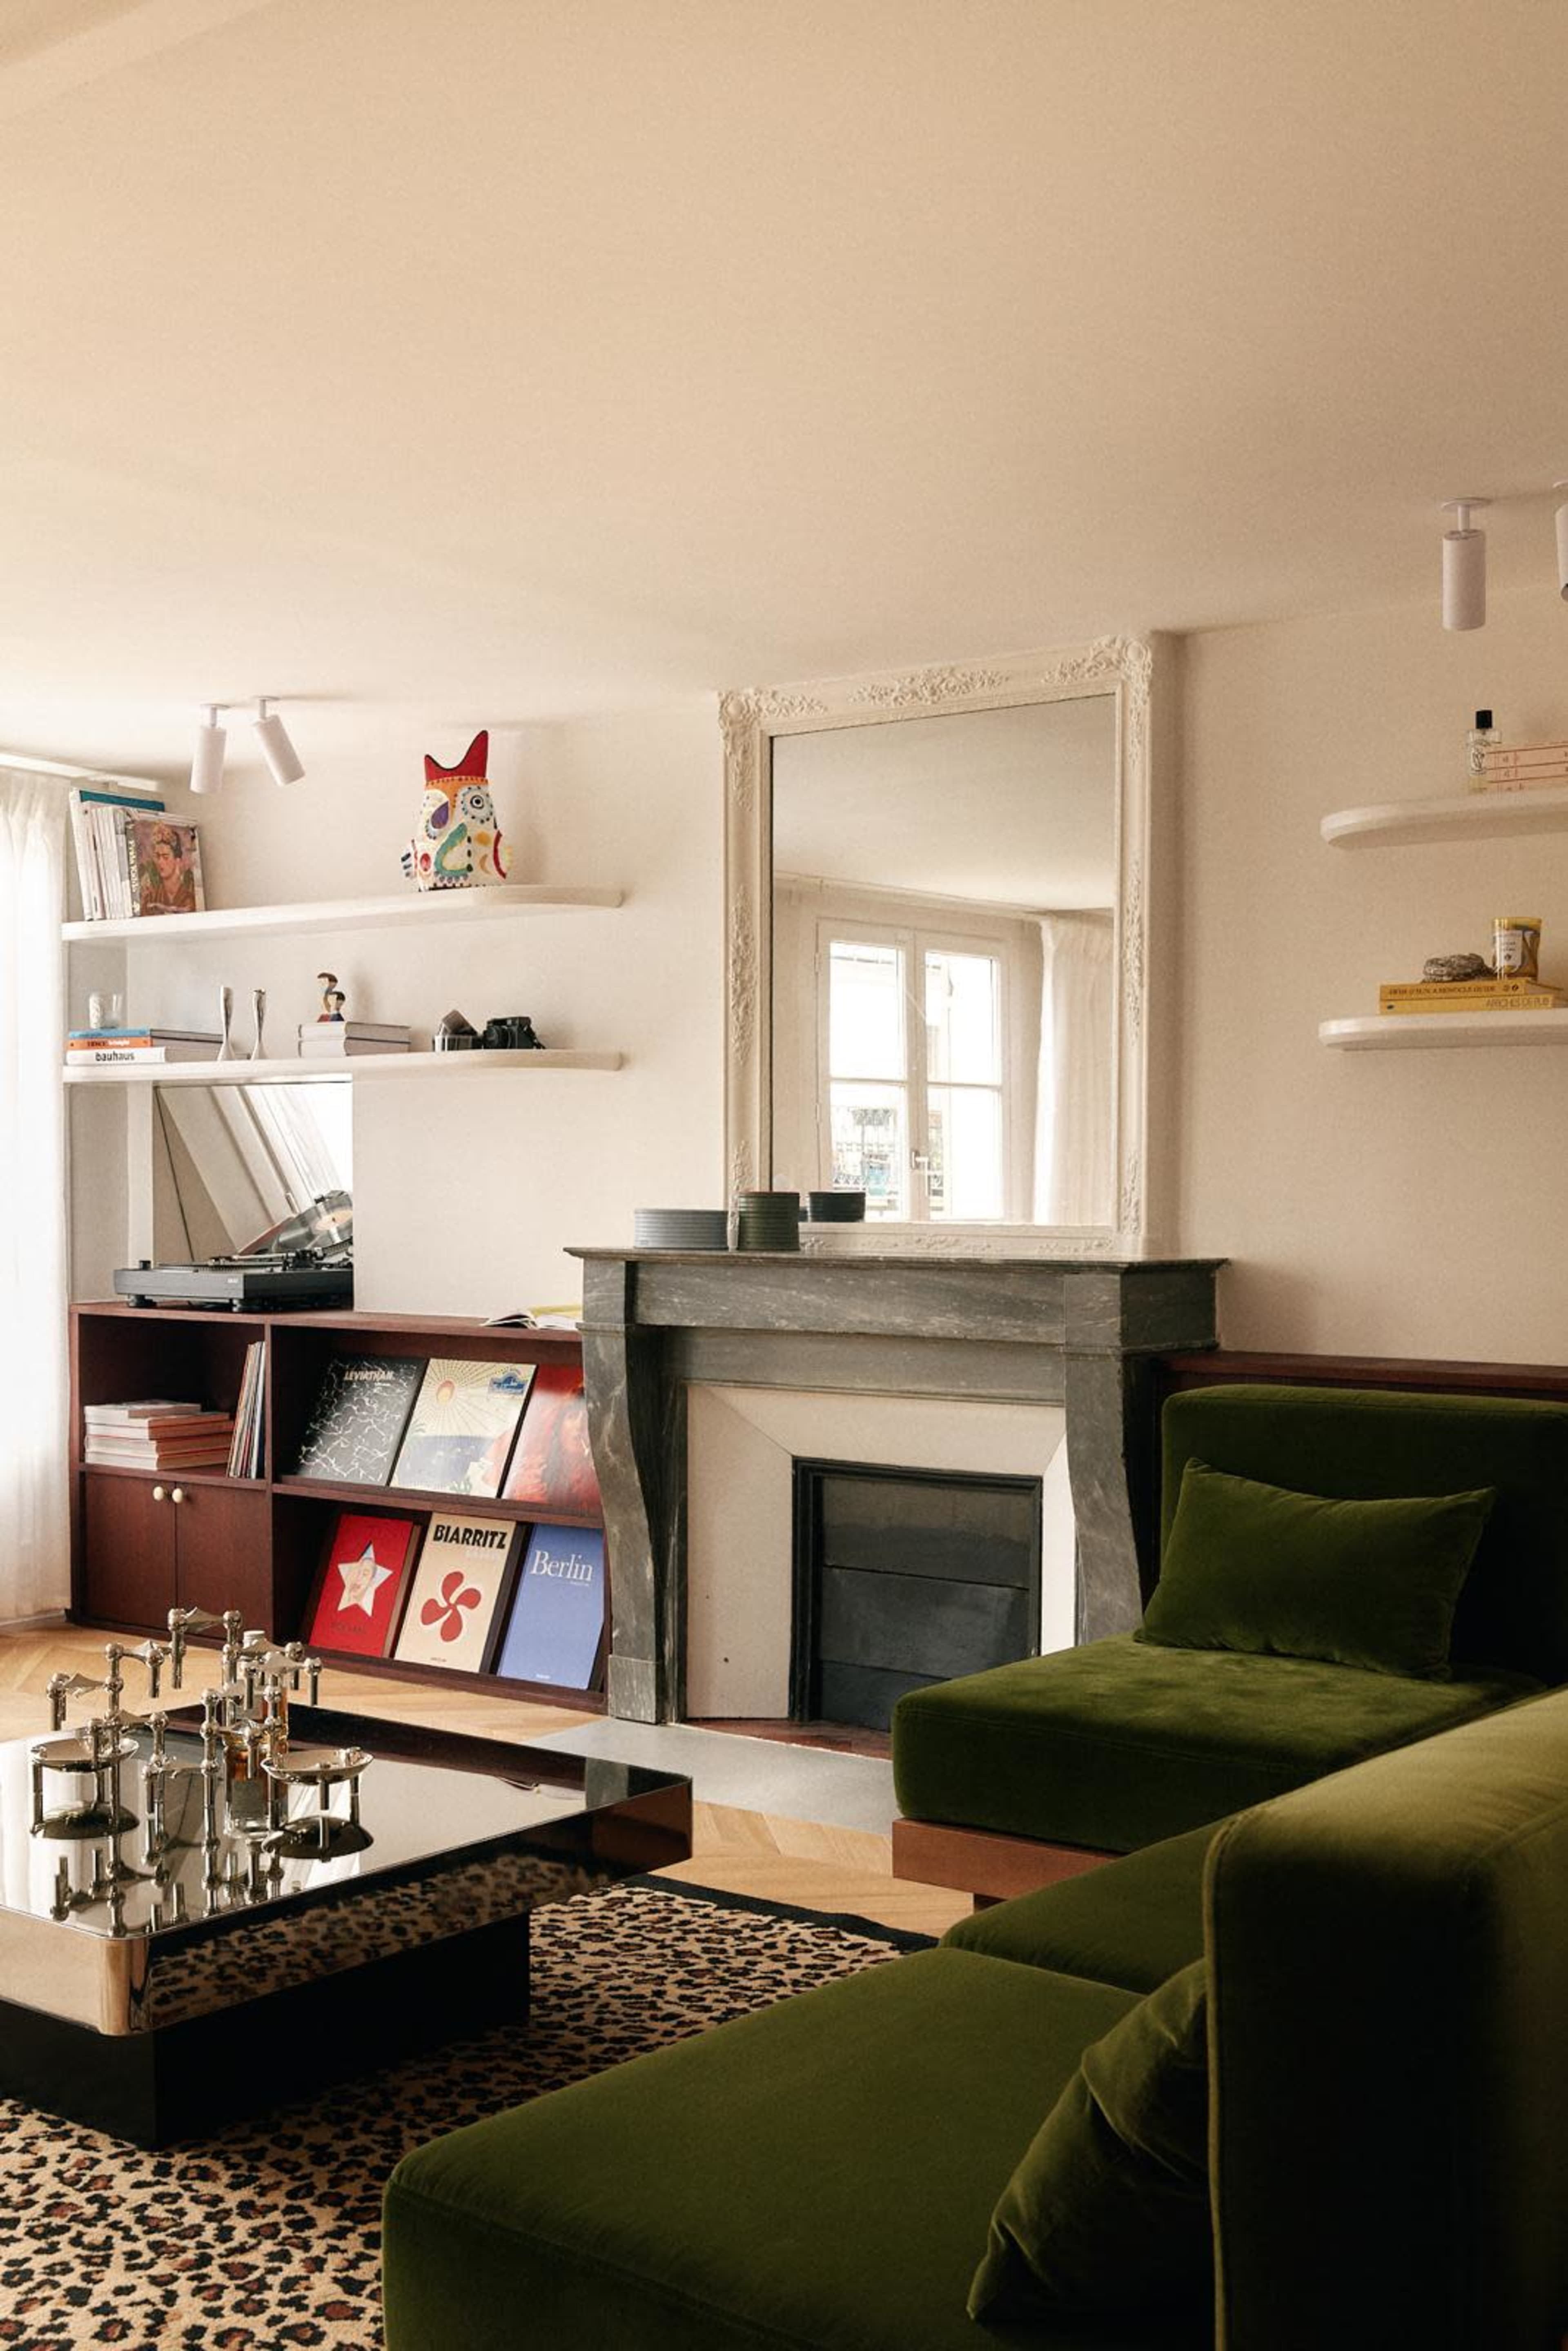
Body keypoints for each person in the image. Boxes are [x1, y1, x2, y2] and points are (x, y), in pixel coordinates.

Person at [140, 823, 198, 914]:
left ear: (178, 861)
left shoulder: (190, 899)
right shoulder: (150, 898)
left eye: (166, 857)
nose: (160, 862)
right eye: (157, 856)